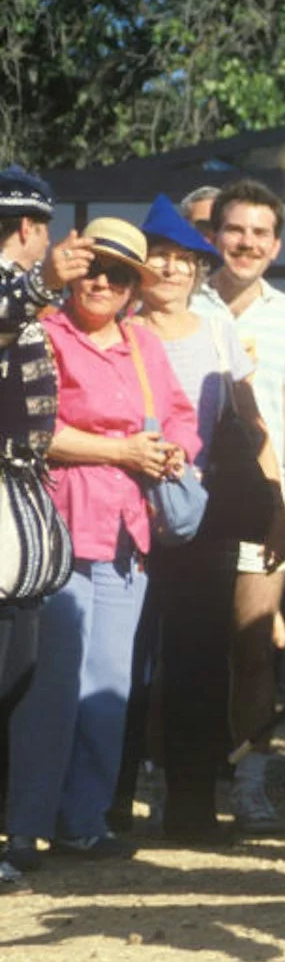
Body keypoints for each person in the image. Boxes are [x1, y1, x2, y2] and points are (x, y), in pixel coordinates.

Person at [5, 219, 198, 868]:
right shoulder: (43, 332)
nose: (103, 282)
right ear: (71, 266)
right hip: (58, 530)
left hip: (126, 534)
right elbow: (29, 427)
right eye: (94, 266)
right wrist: (120, 450)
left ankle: (83, 821)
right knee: (52, 686)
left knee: (110, 684)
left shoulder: (142, 345)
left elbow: (180, 416)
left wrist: (174, 451)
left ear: (134, 288)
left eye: (120, 274)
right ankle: (28, 828)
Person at [125, 195, 281, 842]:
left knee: (198, 663)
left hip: (207, 513)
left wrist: (276, 506)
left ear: (197, 269)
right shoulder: (121, 325)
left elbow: (249, 420)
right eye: (157, 257)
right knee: (126, 664)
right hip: (129, 508)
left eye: (183, 260)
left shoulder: (218, 330)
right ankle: (105, 804)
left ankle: (190, 807)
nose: (169, 269)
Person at [205, 179, 285, 834]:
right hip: (188, 494)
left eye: (260, 233)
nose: (246, 244)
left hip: (263, 499)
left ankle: (251, 785)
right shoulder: (179, 301)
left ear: (276, 245)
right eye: (235, 230)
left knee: (253, 646)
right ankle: (177, 781)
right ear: (214, 235)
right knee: (182, 645)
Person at [0, 170, 89, 891]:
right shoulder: (15, 292)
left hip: (18, 497)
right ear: (30, 227)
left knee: (15, 673)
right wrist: (40, 288)